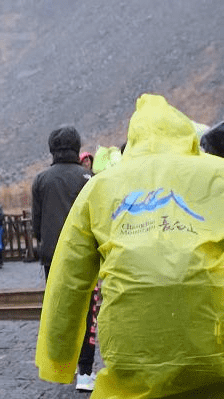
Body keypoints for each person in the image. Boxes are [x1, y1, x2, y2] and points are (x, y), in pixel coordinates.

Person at [36, 93, 224, 398]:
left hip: (130, 345)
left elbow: (68, 279)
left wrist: (58, 355)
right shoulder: (218, 175)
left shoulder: (102, 185)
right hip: (211, 344)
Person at [31, 125, 96, 391]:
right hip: (85, 257)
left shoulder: (41, 180)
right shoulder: (89, 178)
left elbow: (36, 222)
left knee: (59, 310)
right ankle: (85, 372)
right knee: (87, 312)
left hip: (52, 256)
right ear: (77, 147)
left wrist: (44, 242)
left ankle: (60, 367)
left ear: (51, 148)